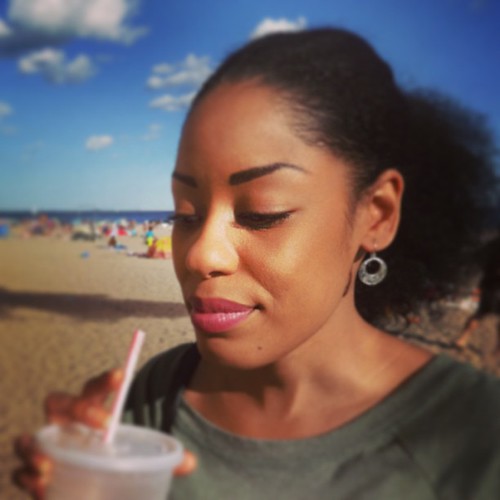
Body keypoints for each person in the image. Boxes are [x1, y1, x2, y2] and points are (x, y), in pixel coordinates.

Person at [13, 28, 500, 499]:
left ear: (377, 215)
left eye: (261, 214)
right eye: (185, 214)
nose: (202, 253)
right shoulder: (156, 393)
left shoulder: (476, 440)